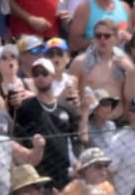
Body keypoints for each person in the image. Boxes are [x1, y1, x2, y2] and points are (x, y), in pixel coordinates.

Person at [14, 58, 88, 188]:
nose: (40, 77)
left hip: (65, 171)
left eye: (44, 73)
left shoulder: (66, 107)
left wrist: (77, 162)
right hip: (39, 174)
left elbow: (76, 138)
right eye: (36, 74)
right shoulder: (26, 108)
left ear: (53, 76)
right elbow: (19, 138)